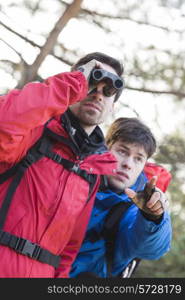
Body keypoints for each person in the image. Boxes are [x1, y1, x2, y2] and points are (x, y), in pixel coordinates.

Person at [0, 52, 124, 277]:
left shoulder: (92, 170)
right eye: (93, 83)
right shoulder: (34, 132)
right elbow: (4, 123)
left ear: (112, 108)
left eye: (108, 91)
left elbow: (68, 251)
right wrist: (73, 82)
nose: (97, 94)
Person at [70, 117, 172, 278]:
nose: (128, 164)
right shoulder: (70, 178)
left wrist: (153, 216)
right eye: (122, 152)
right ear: (106, 149)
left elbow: (152, 249)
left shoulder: (135, 208)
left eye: (138, 158)